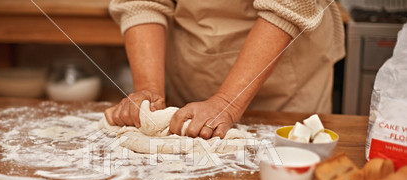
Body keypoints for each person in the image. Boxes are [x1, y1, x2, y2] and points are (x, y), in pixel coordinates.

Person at [104, 0, 345, 139]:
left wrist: (228, 100)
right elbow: (141, 2)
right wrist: (149, 89)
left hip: (287, 80)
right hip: (196, 64)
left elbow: (290, 3)